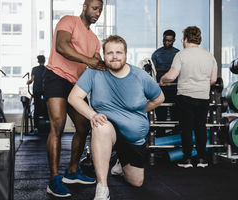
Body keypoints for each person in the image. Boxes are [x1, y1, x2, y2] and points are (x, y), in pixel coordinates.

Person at [68, 35, 165, 200]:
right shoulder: (93, 73)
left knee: (136, 182)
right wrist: (93, 115)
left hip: (133, 138)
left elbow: (159, 98)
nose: (114, 56)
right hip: (108, 129)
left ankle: (120, 163)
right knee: (101, 126)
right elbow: (73, 97)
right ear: (104, 56)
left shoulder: (140, 76)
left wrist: (141, 110)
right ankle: (102, 188)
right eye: (110, 52)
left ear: (126, 55)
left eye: (119, 52)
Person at [44, 0, 105, 197]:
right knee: (58, 124)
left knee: (84, 125)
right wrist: (89, 61)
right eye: (95, 8)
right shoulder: (68, 21)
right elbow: (61, 46)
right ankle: (54, 179)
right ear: (85, 6)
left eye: (100, 10)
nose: (97, 13)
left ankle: (72, 171)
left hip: (75, 84)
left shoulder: (94, 39)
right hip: (55, 76)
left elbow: (97, 64)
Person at [160, 26, 217, 168]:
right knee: (200, 127)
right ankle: (202, 159)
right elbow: (213, 80)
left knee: (186, 128)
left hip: (185, 96)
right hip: (203, 96)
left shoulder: (181, 55)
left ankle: (187, 160)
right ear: (199, 39)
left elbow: (172, 76)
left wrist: (163, 80)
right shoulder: (209, 56)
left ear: (185, 39)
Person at [151, 30, 179, 126]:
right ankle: (161, 136)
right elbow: (153, 73)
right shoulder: (156, 54)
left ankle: (175, 138)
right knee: (160, 117)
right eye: (165, 40)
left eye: (169, 41)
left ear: (174, 40)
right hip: (161, 89)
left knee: (176, 116)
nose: (166, 42)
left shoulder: (178, 54)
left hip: (175, 89)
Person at [27, 55, 47, 132]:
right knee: (46, 107)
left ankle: (36, 127)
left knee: (37, 108)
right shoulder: (47, 69)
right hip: (45, 89)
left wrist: (28, 82)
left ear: (38, 61)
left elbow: (32, 79)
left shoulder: (34, 69)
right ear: (44, 61)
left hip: (37, 90)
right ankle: (47, 124)